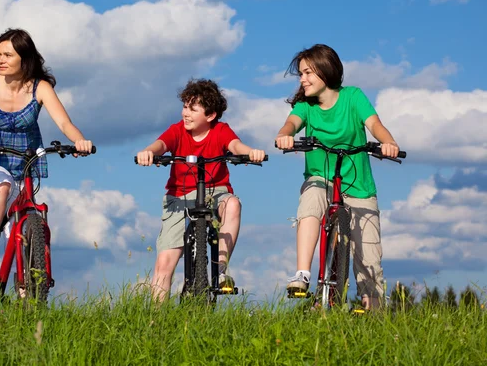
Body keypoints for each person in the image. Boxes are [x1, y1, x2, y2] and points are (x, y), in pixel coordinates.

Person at [0, 28, 93, 284]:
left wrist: (78, 141)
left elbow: (64, 123)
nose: (1, 60)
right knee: (1, 186)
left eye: (8, 55)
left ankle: (27, 301)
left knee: (20, 234)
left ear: (25, 58)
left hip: (24, 166)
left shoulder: (39, 88)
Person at [275, 44, 400, 309]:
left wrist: (388, 142)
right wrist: (284, 135)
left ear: (325, 71)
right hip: (321, 178)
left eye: (308, 73)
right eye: (301, 74)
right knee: (312, 199)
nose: (302, 79)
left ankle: (374, 314)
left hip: (359, 186)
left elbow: (374, 124)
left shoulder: (353, 97)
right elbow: (291, 123)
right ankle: (302, 274)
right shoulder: (305, 105)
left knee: (369, 257)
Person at [136, 78, 266, 301]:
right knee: (164, 263)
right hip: (179, 195)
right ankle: (155, 321)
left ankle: (220, 269)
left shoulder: (221, 130)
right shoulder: (177, 131)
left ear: (210, 115)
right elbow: (161, 144)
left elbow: (235, 145)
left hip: (216, 190)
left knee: (233, 204)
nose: (185, 113)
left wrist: (250, 152)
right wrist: (148, 151)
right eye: (185, 106)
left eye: (193, 108)